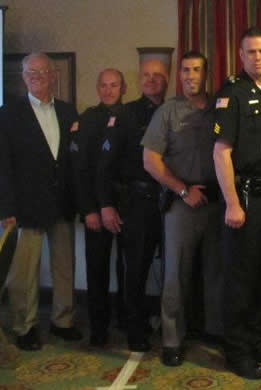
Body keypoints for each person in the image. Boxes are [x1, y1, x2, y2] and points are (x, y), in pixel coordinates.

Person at [212, 27, 261, 380]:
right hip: (244, 199)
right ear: (240, 56)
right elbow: (221, 151)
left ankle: (258, 339)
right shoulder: (232, 94)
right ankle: (237, 350)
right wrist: (231, 202)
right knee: (240, 278)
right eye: (251, 52)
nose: (258, 58)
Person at [142, 51, 224, 366]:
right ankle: (172, 339)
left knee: (216, 273)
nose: (191, 75)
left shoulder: (221, 109)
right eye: (186, 70)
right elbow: (150, 161)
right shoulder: (168, 112)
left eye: (197, 70)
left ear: (206, 74)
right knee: (175, 274)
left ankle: (213, 330)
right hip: (182, 203)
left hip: (218, 202)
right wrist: (182, 189)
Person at [0, 52, 82, 351]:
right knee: (24, 272)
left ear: (53, 75)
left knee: (64, 266)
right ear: (23, 77)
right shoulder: (8, 114)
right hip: (26, 206)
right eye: (30, 72)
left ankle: (63, 321)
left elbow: (73, 160)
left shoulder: (68, 111)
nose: (36, 76)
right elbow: (3, 166)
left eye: (42, 71)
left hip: (62, 202)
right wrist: (6, 208)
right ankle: (24, 326)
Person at [98, 58, 170, 352]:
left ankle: (171, 326)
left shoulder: (174, 110)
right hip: (136, 203)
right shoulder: (125, 114)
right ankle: (134, 329)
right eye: (146, 75)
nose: (151, 80)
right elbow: (104, 166)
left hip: (169, 201)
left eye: (158, 76)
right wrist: (106, 205)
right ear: (138, 80)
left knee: (172, 269)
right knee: (136, 270)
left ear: (167, 80)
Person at [70, 68, 127, 347]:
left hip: (127, 204)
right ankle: (99, 328)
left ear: (123, 88)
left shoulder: (131, 116)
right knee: (97, 269)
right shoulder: (87, 119)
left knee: (128, 267)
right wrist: (89, 210)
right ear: (97, 88)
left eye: (114, 85)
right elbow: (80, 170)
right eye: (103, 85)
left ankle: (127, 320)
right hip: (95, 205)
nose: (108, 90)